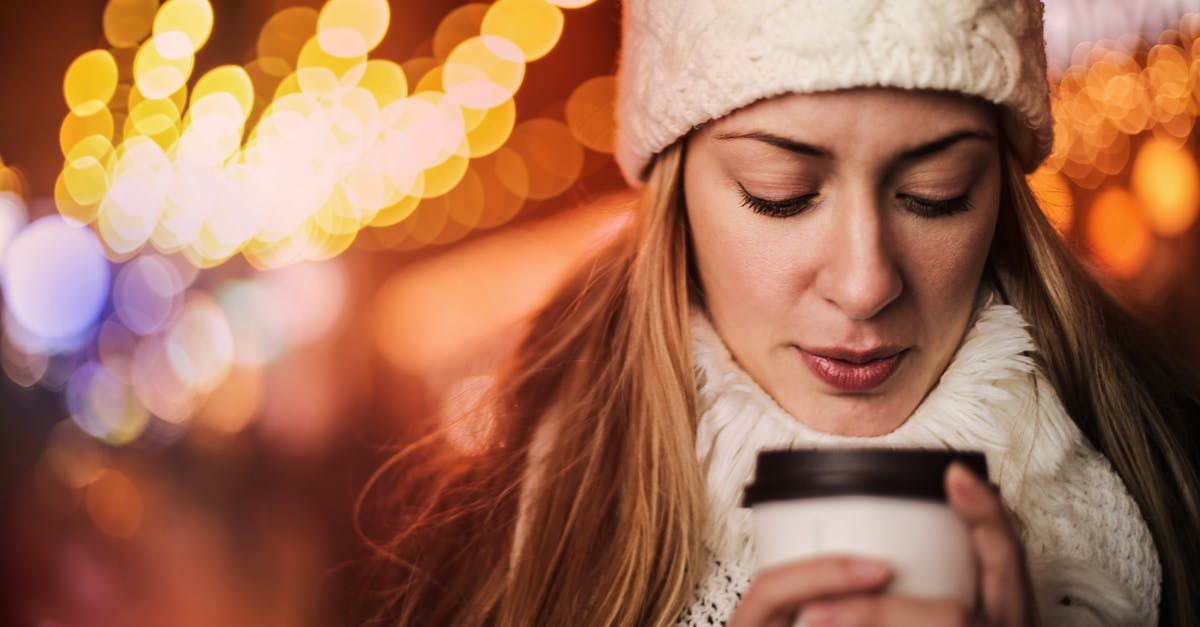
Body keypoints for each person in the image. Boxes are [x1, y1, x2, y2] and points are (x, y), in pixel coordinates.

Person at [358, 0, 1200, 625]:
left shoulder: (1174, 491)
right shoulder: (508, 553)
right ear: (676, 196)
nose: (867, 283)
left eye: (935, 196)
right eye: (780, 196)